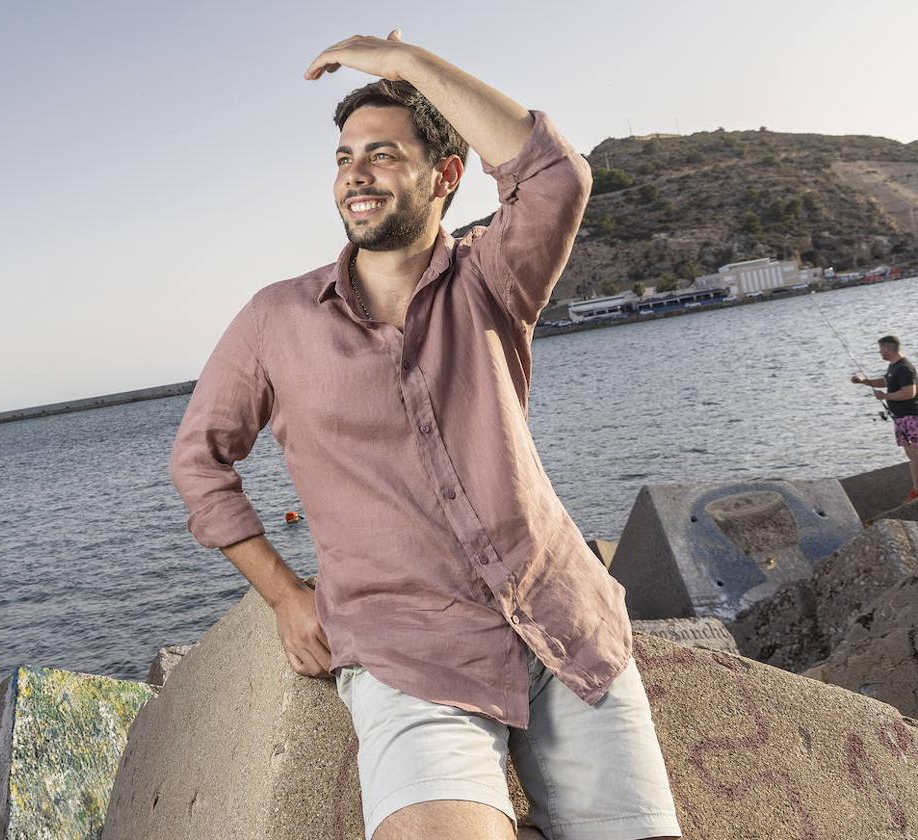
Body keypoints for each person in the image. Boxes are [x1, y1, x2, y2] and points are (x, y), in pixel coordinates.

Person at [170, 30, 681, 840]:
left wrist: (409, 67)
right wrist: (283, 594)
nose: (355, 174)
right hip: (410, 654)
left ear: (446, 177)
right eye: (343, 157)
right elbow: (199, 462)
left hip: (565, 627)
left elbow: (554, 174)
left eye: (383, 154)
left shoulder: (493, 277)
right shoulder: (276, 319)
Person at [852, 334, 918, 501]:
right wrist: (864, 382)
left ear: (888, 349)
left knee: (916, 454)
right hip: (901, 418)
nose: (879, 352)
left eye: (880, 349)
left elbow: (909, 392)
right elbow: (886, 381)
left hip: (911, 417)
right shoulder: (893, 367)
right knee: (911, 455)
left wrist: (885, 396)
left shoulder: (904, 368)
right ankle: (916, 490)